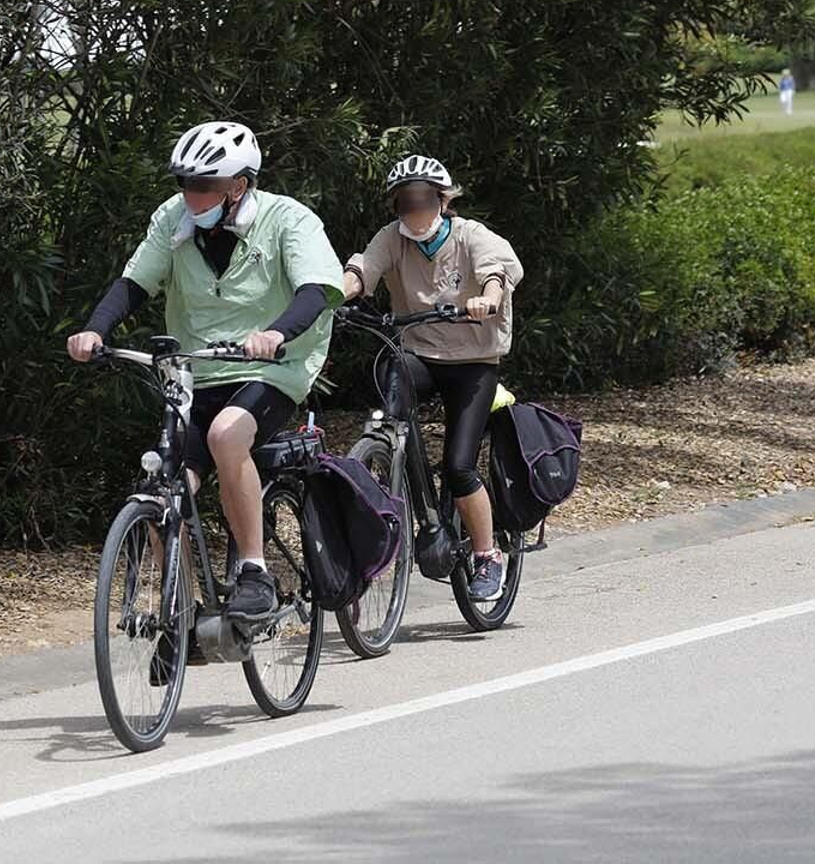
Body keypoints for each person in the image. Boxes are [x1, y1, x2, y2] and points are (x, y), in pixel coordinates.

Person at [68, 121, 344, 619]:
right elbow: (134, 282)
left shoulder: (289, 220)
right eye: (185, 184)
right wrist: (95, 330)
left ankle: (256, 570)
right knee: (162, 487)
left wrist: (276, 334)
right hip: (195, 372)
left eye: (203, 186)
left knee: (225, 435)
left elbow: (316, 292)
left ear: (239, 185)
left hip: (272, 369)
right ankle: (183, 610)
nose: (191, 196)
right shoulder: (172, 219)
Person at [341, 155, 523, 600]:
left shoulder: (469, 235)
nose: (415, 212)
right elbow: (363, 269)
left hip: (472, 360)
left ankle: (486, 556)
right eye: (405, 203)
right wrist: (334, 293)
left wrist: (488, 297)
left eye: (424, 200)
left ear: (443, 200)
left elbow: (497, 271)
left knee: (459, 466)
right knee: (390, 384)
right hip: (418, 351)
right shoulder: (394, 240)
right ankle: (392, 456)